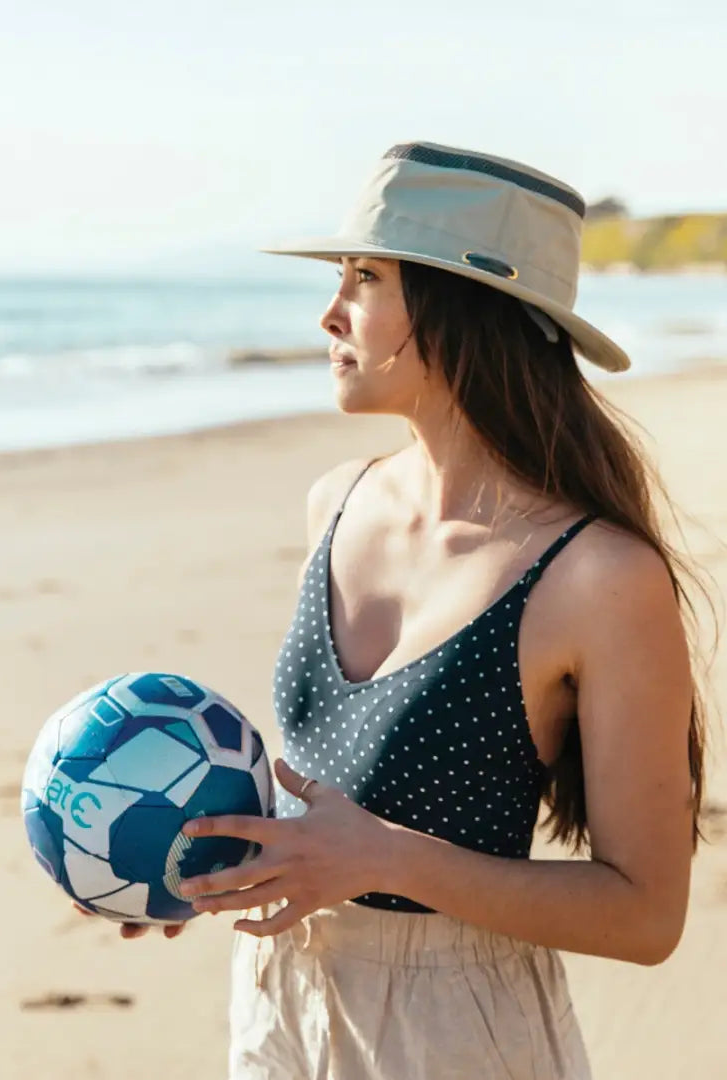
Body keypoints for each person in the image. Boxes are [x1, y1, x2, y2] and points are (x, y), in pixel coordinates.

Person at [148, 142, 707, 1078]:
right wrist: (166, 862)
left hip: (453, 1032)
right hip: (279, 1003)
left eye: (364, 277)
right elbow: (330, 788)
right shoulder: (336, 500)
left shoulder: (598, 578)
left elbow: (648, 915)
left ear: (465, 306)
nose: (329, 312)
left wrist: (391, 862)